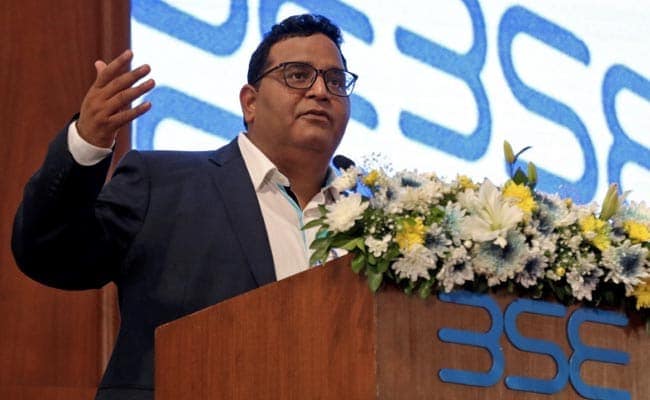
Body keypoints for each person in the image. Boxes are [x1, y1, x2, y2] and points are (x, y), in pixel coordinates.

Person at [11, 14, 358, 400]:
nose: (320, 91)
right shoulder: (161, 184)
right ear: (250, 103)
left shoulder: (373, 219)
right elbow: (50, 252)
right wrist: (85, 144)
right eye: (297, 75)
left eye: (335, 80)